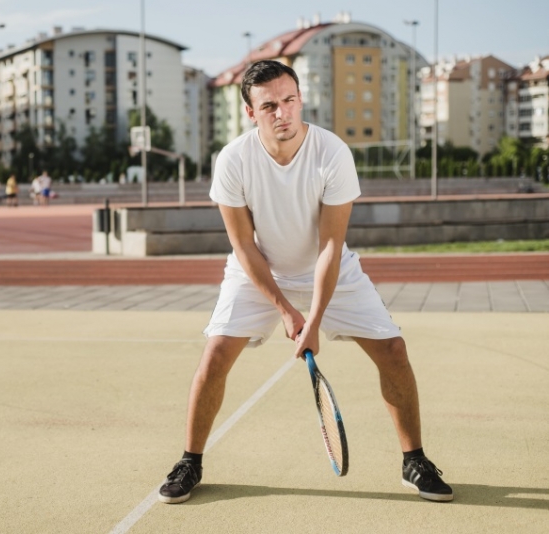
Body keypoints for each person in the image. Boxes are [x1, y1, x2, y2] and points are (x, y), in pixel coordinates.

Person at [157, 60, 453, 505]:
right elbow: (243, 246)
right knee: (215, 355)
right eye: (270, 105)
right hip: (257, 268)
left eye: (290, 100)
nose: (283, 113)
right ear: (250, 112)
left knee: (394, 351)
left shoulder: (332, 152)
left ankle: (415, 460)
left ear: (301, 99)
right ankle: (190, 461)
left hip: (328, 265)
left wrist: (312, 318)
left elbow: (332, 245)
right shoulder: (233, 160)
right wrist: (283, 308)